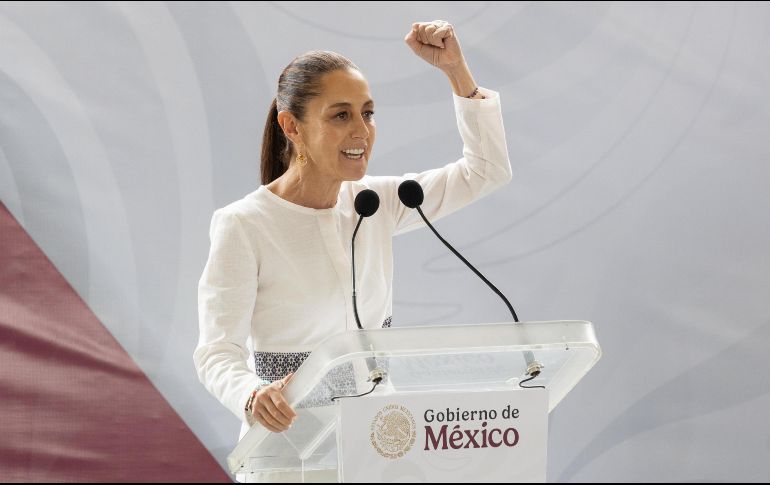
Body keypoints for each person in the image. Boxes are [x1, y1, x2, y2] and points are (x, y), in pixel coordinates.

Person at [194, 20, 512, 482]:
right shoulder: (245, 224)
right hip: (291, 457)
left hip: (379, 448)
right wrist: (251, 394)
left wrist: (456, 71)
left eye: (368, 113)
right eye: (341, 115)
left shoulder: (378, 203)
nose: (362, 130)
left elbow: (486, 171)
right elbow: (216, 352)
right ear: (292, 127)